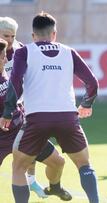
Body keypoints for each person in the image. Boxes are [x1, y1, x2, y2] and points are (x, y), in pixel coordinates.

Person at [0, 12, 99, 203]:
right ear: (54, 33)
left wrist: (7, 112)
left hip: (37, 119)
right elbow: (92, 83)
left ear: (33, 35)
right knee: (85, 165)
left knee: (19, 167)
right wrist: (86, 104)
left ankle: (49, 189)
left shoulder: (24, 51)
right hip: (68, 118)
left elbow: (15, 84)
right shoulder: (68, 51)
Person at [0, 38, 72, 201]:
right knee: (18, 170)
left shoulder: (5, 71)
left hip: (21, 131)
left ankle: (55, 187)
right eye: (2, 56)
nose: (6, 59)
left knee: (58, 162)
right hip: (1, 137)